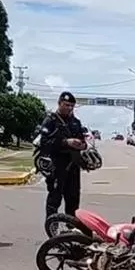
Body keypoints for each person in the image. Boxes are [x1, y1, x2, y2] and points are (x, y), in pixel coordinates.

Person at [37, 91, 87, 219]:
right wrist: (66, 142)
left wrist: (81, 145)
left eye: (71, 106)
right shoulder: (51, 120)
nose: (69, 108)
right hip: (56, 165)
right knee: (55, 198)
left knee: (73, 199)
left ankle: (72, 230)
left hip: (73, 166)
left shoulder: (76, 122)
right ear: (59, 104)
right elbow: (45, 143)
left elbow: (83, 141)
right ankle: (52, 228)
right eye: (66, 105)